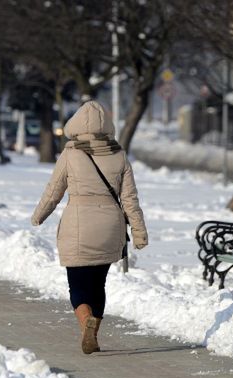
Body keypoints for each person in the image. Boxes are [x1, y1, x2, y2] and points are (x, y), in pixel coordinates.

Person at [31, 100, 148, 354]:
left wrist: (39, 215)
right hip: (109, 228)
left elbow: (54, 191)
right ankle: (93, 328)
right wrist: (139, 232)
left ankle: (86, 324)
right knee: (98, 284)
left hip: (77, 227)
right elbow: (130, 199)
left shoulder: (70, 154)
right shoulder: (119, 155)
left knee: (78, 285)